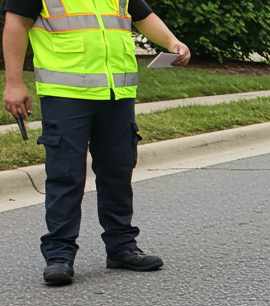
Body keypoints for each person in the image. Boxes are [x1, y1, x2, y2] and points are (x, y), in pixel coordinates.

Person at [3, 1, 190, 287]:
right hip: (65, 93)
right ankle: (59, 255)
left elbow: (143, 16)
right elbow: (16, 24)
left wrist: (172, 42)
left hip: (117, 93)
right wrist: (14, 82)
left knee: (118, 170)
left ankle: (122, 247)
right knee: (66, 174)